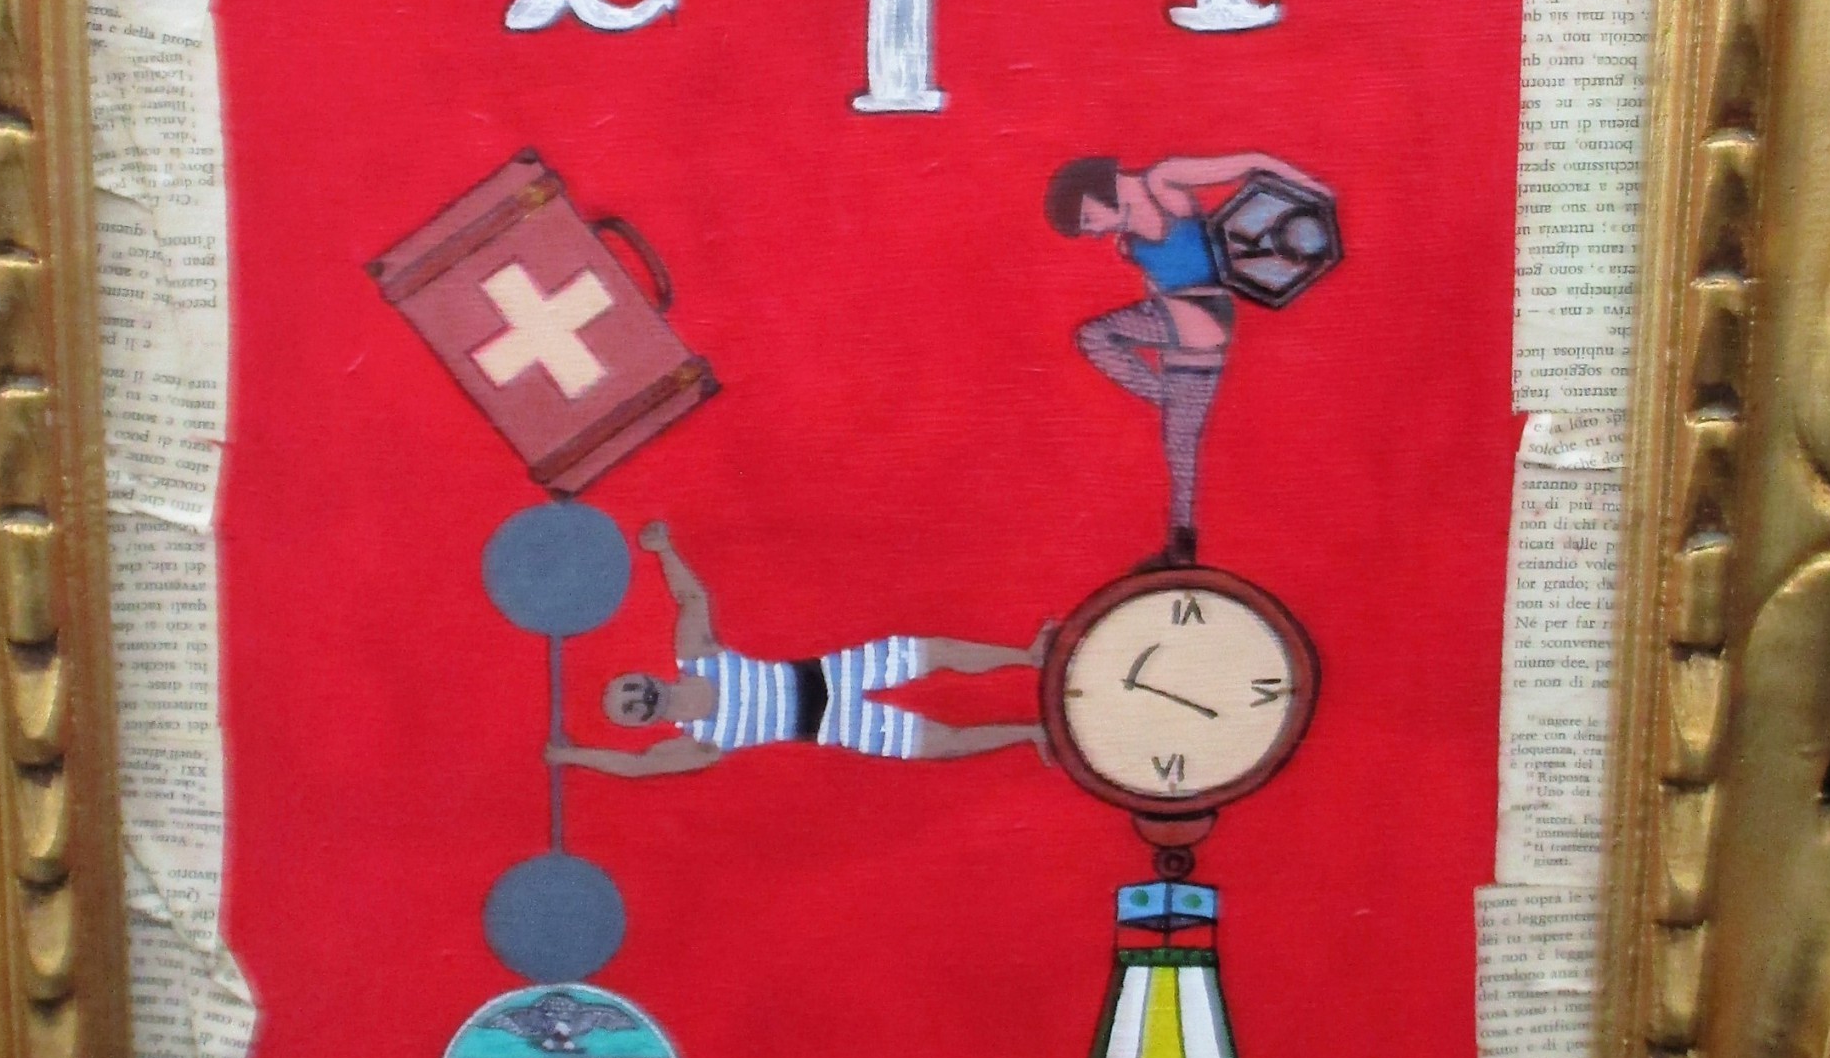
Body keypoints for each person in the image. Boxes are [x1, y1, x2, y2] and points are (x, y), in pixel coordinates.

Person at [550, 523, 1049, 778]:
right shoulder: (698, 744)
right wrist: (572, 755)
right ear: (640, 724)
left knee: (934, 651)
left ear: (643, 675)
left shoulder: (696, 657)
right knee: (948, 744)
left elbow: (691, 597)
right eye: (630, 707)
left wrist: (664, 550)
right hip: (836, 725)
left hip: (834, 674)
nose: (638, 696)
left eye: (630, 687)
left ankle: (1029, 656)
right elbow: (637, 767)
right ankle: (1032, 732)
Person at [1044, 150, 1333, 565]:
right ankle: (1182, 545)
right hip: (1184, 331)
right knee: (1179, 442)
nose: (1093, 232)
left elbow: (1253, 161)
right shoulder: (1127, 239)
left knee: (1094, 336)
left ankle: (1164, 396)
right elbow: (1161, 280)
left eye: (1088, 219)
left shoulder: (1162, 181)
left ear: (1096, 193)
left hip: (1202, 313)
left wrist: (1313, 190)